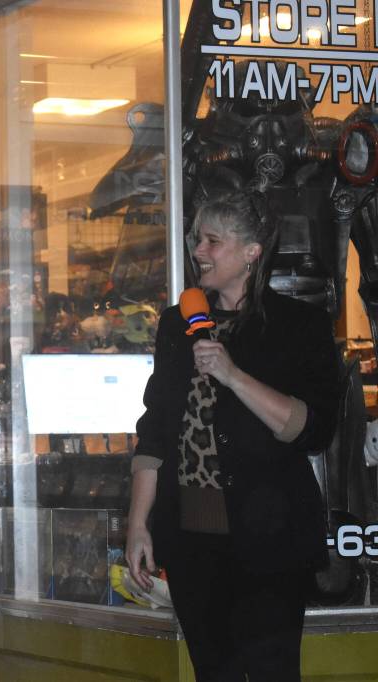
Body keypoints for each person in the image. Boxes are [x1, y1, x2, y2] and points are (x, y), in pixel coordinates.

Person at [125, 191, 340, 681]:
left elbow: (313, 430)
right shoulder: (176, 324)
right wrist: (139, 524)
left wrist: (233, 375)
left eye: (212, 241)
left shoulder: (299, 325)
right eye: (198, 239)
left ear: (251, 252)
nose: (199, 251)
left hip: (270, 543)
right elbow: (155, 430)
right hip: (192, 542)